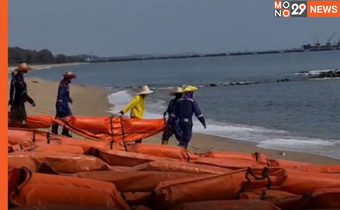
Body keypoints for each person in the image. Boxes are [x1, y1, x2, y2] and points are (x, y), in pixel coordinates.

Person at [51, 72, 76, 137]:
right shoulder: (63, 84)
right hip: (62, 104)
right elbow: (61, 94)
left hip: (63, 104)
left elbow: (65, 93)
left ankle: (57, 132)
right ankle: (61, 132)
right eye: (71, 77)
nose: (71, 79)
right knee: (68, 118)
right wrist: (60, 105)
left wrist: (69, 98)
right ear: (68, 77)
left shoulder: (65, 83)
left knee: (59, 118)